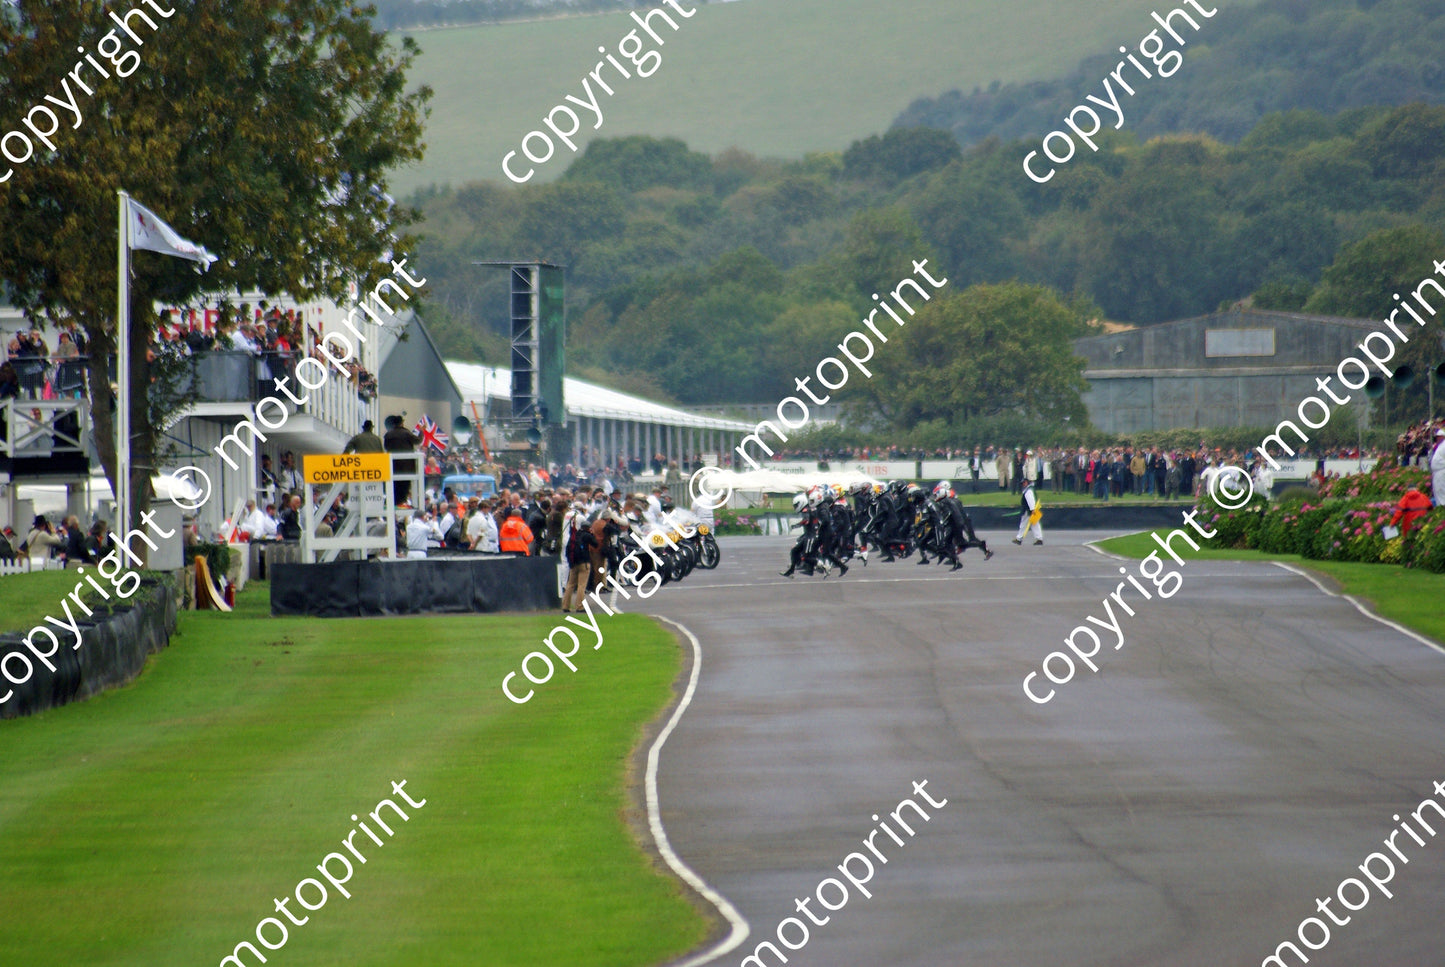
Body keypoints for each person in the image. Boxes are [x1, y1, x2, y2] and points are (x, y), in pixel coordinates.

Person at [1012, 479, 1043, 546]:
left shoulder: (1028, 491)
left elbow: (1030, 500)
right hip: (1031, 510)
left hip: (1027, 511)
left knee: (1023, 524)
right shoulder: (1031, 489)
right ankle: (1039, 539)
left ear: (1026, 482)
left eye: (1023, 483)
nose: (1023, 484)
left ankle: (1019, 539)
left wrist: (1032, 510)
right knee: (1035, 524)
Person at [1432, 428, 1445, 508]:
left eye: (1438, 437)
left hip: (1442, 471)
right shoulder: (1440, 446)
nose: (1437, 438)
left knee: (1441, 491)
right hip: (1437, 472)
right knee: (1438, 492)